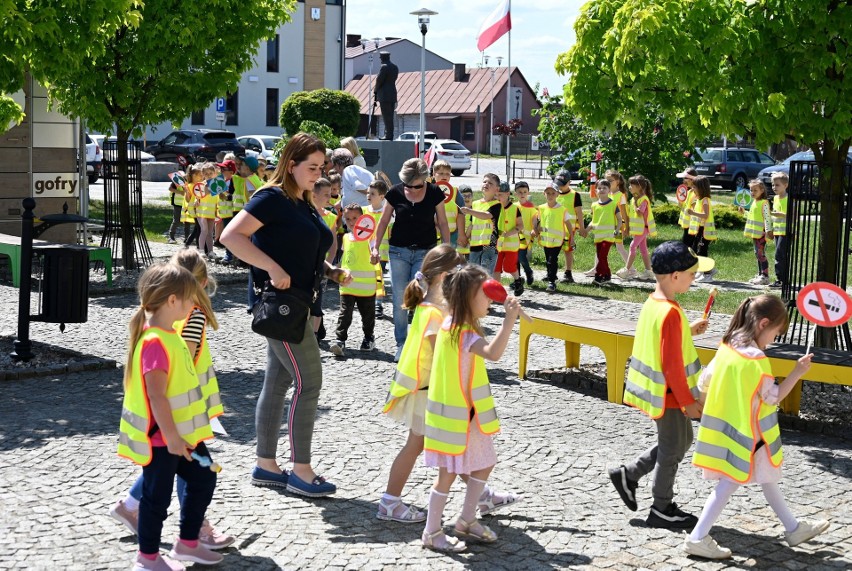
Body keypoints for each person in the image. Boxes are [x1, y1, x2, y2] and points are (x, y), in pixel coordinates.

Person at [220, 132, 351, 498]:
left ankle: (266, 465)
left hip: (297, 305)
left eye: (321, 167)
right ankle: (302, 471)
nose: (318, 173)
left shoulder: (302, 201)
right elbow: (231, 236)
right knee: (309, 383)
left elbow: (301, 249)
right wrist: (272, 269)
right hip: (280, 305)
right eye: (311, 167)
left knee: (277, 383)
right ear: (290, 164)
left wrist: (330, 270)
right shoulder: (272, 197)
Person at [683, 295, 829, 559]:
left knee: (766, 477)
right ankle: (697, 537)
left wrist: (703, 404)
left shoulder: (728, 346)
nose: (773, 340)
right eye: (775, 333)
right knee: (729, 483)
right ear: (763, 324)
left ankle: (793, 528)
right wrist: (797, 372)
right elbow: (773, 397)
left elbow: (706, 379)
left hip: (728, 431)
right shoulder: (756, 359)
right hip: (749, 434)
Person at [111, 250, 233, 554]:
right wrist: (173, 436)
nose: (195, 302)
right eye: (191, 297)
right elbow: (157, 395)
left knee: (200, 479)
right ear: (172, 301)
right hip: (166, 437)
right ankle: (149, 555)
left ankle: (186, 541)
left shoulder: (167, 334)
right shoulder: (157, 340)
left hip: (178, 433)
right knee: (157, 498)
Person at [608, 241, 713, 530]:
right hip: (670, 395)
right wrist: (687, 402)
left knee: (680, 442)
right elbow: (672, 366)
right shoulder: (670, 312)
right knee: (673, 447)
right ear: (675, 275)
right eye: (692, 273)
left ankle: (629, 474)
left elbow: (663, 341)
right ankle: (662, 507)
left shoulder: (655, 303)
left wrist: (687, 329)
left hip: (665, 393)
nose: (695, 278)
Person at [421, 264, 522, 552]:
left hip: (467, 416)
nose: (490, 301)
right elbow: (494, 354)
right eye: (486, 296)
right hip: (458, 419)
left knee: (485, 461)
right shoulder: (463, 333)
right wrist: (509, 321)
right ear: (468, 298)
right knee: (447, 475)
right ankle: (431, 532)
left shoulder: (451, 324)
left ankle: (466, 519)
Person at [370, 158, 450, 361]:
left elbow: (442, 221)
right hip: (398, 251)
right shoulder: (395, 192)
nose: (411, 189)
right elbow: (384, 221)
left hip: (426, 252)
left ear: (424, 179)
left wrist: (447, 250)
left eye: (416, 186)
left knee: (424, 298)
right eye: (408, 185)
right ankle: (402, 344)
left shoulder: (434, 193)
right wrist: (375, 247)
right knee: (399, 298)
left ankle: (424, 342)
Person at [330, 204, 378, 357]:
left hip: (366, 287)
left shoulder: (370, 238)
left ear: (363, 219)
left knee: (368, 315)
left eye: (355, 218)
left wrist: (374, 257)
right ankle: (340, 340)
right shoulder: (345, 237)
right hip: (347, 285)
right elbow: (346, 259)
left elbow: (374, 256)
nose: (351, 222)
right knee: (345, 313)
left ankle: (369, 337)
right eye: (348, 218)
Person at [531, 181, 574, 292]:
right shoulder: (541, 208)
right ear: (544, 194)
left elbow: (569, 225)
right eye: (548, 193)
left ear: (557, 194)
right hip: (546, 240)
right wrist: (535, 229)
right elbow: (536, 220)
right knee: (548, 260)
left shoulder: (562, 209)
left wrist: (572, 238)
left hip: (557, 240)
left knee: (552, 260)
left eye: (552, 193)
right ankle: (552, 276)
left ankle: (551, 282)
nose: (550, 195)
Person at [311, 178, 339, 341]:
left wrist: (329, 266)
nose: (330, 198)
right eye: (326, 194)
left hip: (321, 267)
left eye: (330, 193)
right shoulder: (304, 212)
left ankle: (314, 335)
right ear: (314, 195)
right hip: (305, 265)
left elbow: (333, 245)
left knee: (318, 299)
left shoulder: (330, 217)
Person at [617, 174, 656, 281]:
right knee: (643, 249)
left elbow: (640, 212)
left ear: (639, 187)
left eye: (631, 185)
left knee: (632, 246)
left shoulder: (643, 199)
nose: (629, 187)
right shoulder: (635, 199)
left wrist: (635, 205)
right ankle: (648, 271)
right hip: (639, 229)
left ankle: (626, 270)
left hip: (643, 228)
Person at [463, 174, 501, 272]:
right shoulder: (475, 204)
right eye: (484, 182)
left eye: (490, 183)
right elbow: (472, 224)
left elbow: (486, 215)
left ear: (497, 189)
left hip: (489, 245)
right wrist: (465, 237)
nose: (486, 184)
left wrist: (469, 210)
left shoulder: (497, 205)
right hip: (475, 244)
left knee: (486, 274)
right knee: (473, 273)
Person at [586, 179, 621, 285]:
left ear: (609, 190)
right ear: (596, 190)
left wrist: (617, 230)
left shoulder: (613, 204)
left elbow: (619, 219)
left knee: (602, 256)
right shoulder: (594, 205)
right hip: (598, 236)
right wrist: (586, 230)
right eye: (599, 188)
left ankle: (599, 276)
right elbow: (593, 221)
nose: (602, 190)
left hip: (609, 235)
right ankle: (607, 275)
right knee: (601, 257)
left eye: (604, 188)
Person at [492, 183, 525, 296]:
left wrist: (509, 233)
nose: (497, 197)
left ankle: (517, 280)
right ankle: (496, 291)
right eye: (496, 194)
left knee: (509, 267)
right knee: (496, 268)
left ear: (507, 194)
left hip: (511, 244)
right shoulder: (494, 206)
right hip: (497, 244)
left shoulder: (515, 209)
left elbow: (520, 226)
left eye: (500, 194)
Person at [553, 171, 585, 283]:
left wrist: (582, 228)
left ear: (570, 182)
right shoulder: (554, 193)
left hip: (569, 230)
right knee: (553, 251)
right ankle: (551, 273)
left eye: (563, 184)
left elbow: (579, 213)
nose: (560, 186)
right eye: (558, 183)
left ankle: (568, 273)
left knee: (568, 250)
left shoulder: (575, 195)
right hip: (555, 228)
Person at [366, 179, 390, 319]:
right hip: (366, 251)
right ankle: (369, 301)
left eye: (372, 193)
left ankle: (378, 304)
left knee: (378, 278)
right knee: (369, 277)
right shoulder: (363, 211)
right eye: (368, 193)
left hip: (381, 251)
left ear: (382, 197)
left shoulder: (387, 213)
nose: (369, 196)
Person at [687, 175, 718, 282]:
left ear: (701, 188)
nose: (692, 189)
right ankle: (709, 270)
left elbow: (705, 215)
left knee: (702, 251)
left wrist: (693, 212)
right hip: (700, 230)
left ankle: (707, 274)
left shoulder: (705, 200)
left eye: (694, 187)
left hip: (705, 231)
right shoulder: (700, 200)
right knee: (696, 249)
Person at [741, 179, 772, 285]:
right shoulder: (754, 202)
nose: (752, 192)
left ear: (762, 190)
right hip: (755, 234)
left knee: (760, 254)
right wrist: (744, 212)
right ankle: (760, 274)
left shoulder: (764, 203)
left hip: (761, 234)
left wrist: (768, 231)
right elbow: (752, 216)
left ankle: (765, 276)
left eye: (755, 190)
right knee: (757, 254)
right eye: (751, 190)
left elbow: (767, 218)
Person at [431, 160, 467, 251]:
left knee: (450, 259)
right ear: (434, 174)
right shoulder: (428, 191)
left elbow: (461, 213)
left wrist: (461, 234)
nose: (445, 176)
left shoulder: (455, 192)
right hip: (433, 233)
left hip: (452, 233)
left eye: (448, 174)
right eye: (441, 173)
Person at [605, 169, 631, 266]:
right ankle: (596, 268)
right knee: (602, 246)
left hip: (618, 227)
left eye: (610, 180)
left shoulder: (621, 196)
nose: (607, 183)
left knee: (620, 248)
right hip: (608, 225)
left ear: (618, 182)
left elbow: (624, 214)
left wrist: (626, 228)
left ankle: (631, 268)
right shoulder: (607, 194)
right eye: (606, 180)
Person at [514, 181, 537, 285]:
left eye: (524, 192)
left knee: (521, 257)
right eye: (520, 192)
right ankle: (517, 280)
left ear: (528, 193)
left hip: (525, 238)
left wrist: (534, 229)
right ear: (515, 194)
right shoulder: (513, 206)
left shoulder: (531, 207)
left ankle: (528, 272)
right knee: (515, 259)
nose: (522, 194)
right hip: (513, 236)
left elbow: (534, 219)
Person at [215, 160, 237, 264]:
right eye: (221, 169)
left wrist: (226, 196)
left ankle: (229, 256)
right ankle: (231, 255)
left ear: (232, 171)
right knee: (226, 234)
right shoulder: (222, 181)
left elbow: (234, 195)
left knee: (228, 235)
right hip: (224, 212)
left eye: (224, 169)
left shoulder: (234, 181)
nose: (221, 171)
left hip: (231, 212)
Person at [770, 172, 789, 288]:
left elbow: (790, 215)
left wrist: (776, 214)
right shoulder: (775, 198)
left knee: (780, 255)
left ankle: (782, 279)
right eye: (773, 185)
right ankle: (781, 279)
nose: (774, 187)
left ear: (785, 185)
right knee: (778, 255)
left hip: (785, 231)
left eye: (777, 185)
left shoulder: (787, 199)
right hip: (777, 231)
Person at [374, 51, 399, 140]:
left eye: (381, 58)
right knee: (390, 116)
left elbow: (379, 80)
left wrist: (375, 90)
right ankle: (389, 134)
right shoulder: (395, 67)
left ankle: (388, 135)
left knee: (386, 116)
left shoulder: (384, 67)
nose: (380, 59)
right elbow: (394, 79)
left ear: (383, 58)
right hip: (392, 93)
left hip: (384, 94)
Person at [675, 168, 698, 245]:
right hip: (687, 224)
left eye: (685, 178)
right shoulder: (689, 192)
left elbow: (695, 210)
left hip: (692, 225)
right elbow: (681, 205)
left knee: (687, 244)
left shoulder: (695, 194)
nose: (683, 180)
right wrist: (680, 199)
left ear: (692, 180)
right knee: (686, 243)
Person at [457, 185, 474, 258]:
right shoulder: (456, 210)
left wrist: (465, 238)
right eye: (464, 196)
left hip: (471, 245)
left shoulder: (475, 210)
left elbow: (472, 225)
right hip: (458, 245)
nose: (467, 198)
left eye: (469, 195)